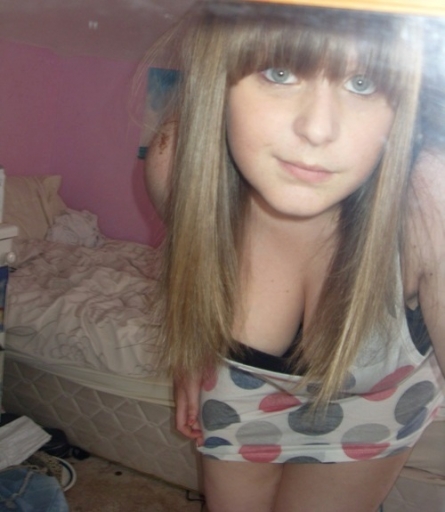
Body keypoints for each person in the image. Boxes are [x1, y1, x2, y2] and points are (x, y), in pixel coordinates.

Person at [144, 1, 445, 511]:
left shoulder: (430, 195)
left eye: (363, 83)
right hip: (239, 387)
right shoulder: (176, 159)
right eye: (279, 72)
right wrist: (188, 356)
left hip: (375, 402)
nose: (318, 129)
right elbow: (188, 262)